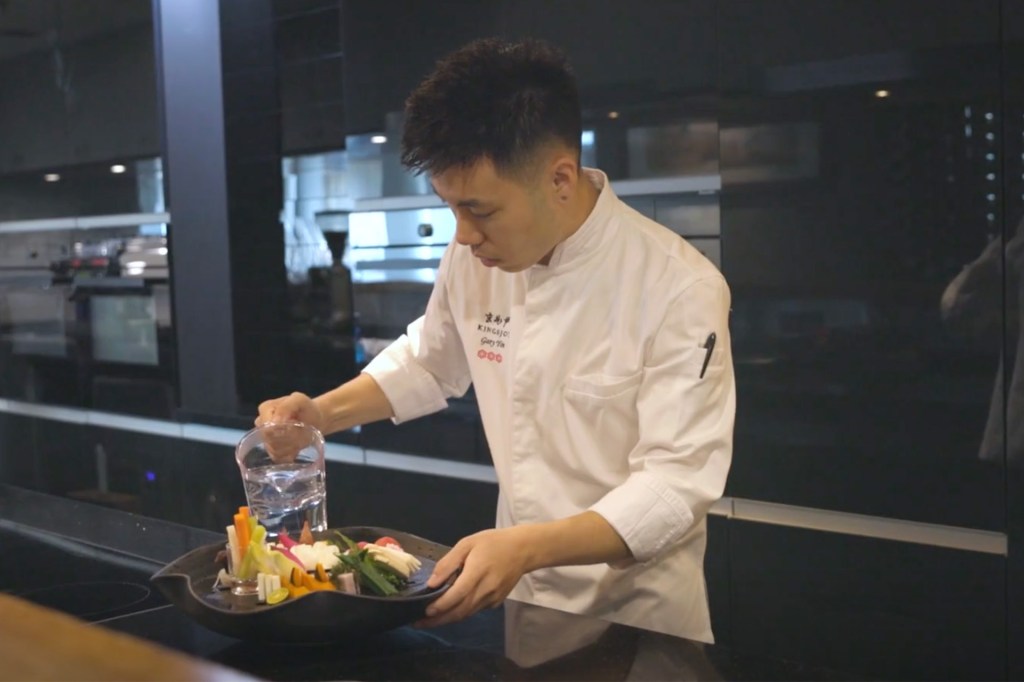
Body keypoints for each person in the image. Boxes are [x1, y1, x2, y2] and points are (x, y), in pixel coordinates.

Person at [257, 37, 736, 643]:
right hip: (525, 603)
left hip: (639, 620)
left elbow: (674, 486)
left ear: (560, 178)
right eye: (450, 206)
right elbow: (430, 362)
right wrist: (318, 415)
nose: (463, 236)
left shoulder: (678, 286)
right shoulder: (477, 257)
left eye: (480, 210)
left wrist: (523, 547)